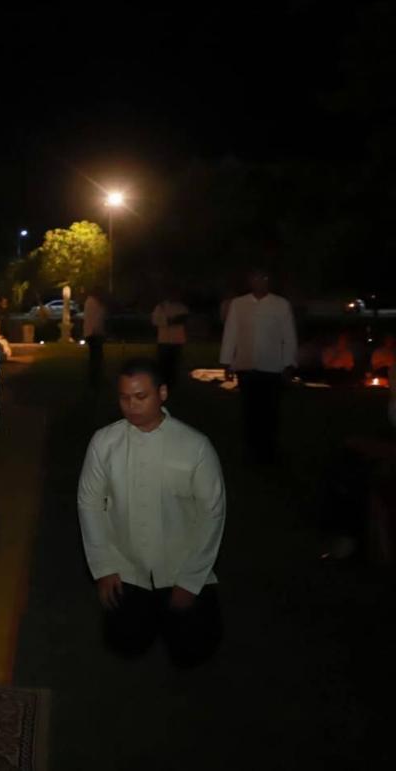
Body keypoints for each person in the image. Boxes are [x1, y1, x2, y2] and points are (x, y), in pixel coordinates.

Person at [77, 358, 225, 668]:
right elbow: (89, 503)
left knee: (192, 653)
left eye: (140, 396)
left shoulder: (195, 445)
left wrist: (190, 579)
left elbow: (212, 513)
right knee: (124, 646)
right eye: (124, 398)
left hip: (180, 566)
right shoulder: (105, 442)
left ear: (162, 393)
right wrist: (103, 567)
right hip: (127, 568)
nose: (131, 406)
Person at [219, 268, 297, 463]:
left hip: (272, 367)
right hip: (246, 366)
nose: (259, 282)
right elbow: (231, 332)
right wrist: (227, 362)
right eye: (255, 278)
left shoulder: (280, 304)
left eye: (263, 278)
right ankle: (250, 449)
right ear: (250, 281)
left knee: (270, 411)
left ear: (268, 280)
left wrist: (288, 364)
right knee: (249, 410)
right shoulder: (239, 304)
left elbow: (288, 336)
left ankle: (269, 450)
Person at [150, 290, 189, 388]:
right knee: (163, 364)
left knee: (173, 365)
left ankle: (172, 384)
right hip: (164, 341)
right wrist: (169, 321)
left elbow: (184, 319)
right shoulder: (161, 307)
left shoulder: (181, 307)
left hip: (176, 341)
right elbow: (155, 321)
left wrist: (169, 321)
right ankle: (163, 383)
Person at [83, 288, 108, 388]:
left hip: (92, 333)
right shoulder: (95, 303)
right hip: (95, 333)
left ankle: (95, 378)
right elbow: (97, 319)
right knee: (96, 357)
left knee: (95, 357)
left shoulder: (90, 302)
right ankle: (95, 379)